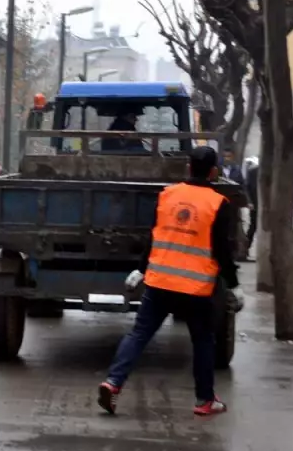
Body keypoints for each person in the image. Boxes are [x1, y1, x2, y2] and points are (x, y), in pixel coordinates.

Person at [98, 146, 244, 417]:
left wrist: (141, 269)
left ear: (188, 167)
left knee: (139, 334)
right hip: (196, 288)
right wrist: (234, 284)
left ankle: (114, 382)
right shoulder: (218, 204)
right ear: (213, 171)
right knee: (202, 341)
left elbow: (153, 236)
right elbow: (222, 250)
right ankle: (204, 400)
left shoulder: (168, 195)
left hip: (160, 280)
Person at [245, 156, 259, 253]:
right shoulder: (252, 172)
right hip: (255, 203)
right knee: (253, 226)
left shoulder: (273, 172)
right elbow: (247, 188)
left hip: (268, 206)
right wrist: (249, 201)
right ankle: (246, 247)